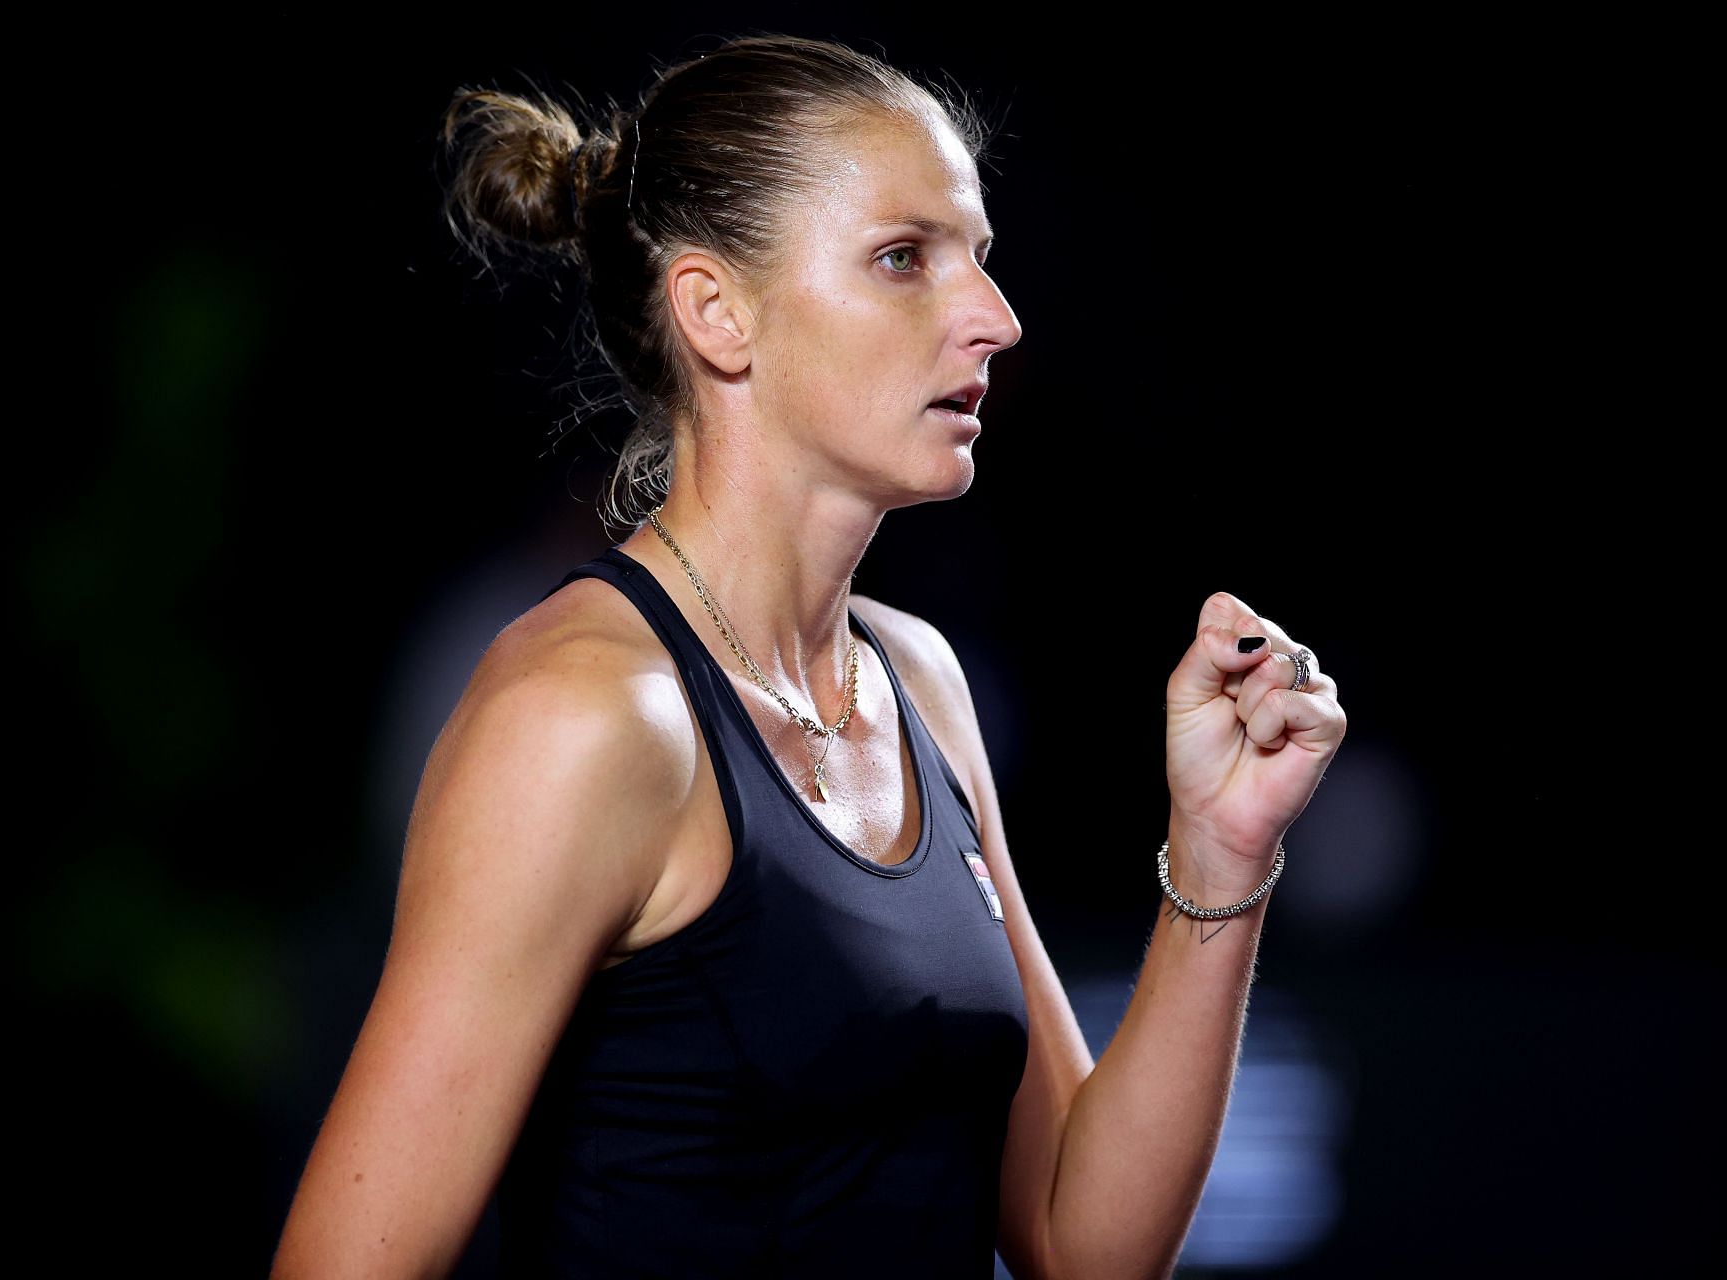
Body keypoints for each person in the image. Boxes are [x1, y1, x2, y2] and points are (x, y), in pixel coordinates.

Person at [271, 33, 1347, 1280]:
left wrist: (1221, 845)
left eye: (981, 261)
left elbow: (1080, 1241)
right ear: (717, 312)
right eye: (905, 260)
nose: (994, 319)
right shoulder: (580, 716)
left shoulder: (920, 682)